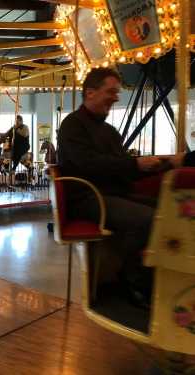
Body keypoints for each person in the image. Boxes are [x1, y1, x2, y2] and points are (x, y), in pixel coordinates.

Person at [57, 67, 164, 309]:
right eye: (111, 91)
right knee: (147, 219)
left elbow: (120, 166)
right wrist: (134, 163)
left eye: (117, 92)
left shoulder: (109, 131)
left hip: (110, 193)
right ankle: (131, 279)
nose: (116, 97)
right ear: (90, 93)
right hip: (87, 197)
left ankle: (158, 273)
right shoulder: (72, 125)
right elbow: (89, 164)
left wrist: (153, 167)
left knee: (168, 212)